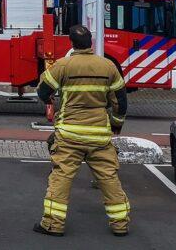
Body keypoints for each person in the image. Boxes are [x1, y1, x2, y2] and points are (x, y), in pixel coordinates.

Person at [34, 25, 130, 237]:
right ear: (91, 43)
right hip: (99, 135)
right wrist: (116, 123)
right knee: (109, 178)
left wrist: (48, 100)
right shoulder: (108, 67)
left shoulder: (63, 65)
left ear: (71, 43)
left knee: (61, 178)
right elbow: (121, 101)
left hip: (69, 135)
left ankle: (53, 225)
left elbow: (42, 90)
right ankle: (120, 224)